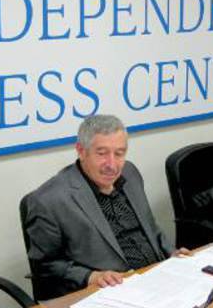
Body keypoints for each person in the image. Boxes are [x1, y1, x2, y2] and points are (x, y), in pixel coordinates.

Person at [21, 114, 190, 300]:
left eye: (119, 153)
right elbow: (45, 266)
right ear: (81, 151)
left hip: (156, 280)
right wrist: (91, 276)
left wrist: (171, 254)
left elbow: (151, 229)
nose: (112, 165)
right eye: (101, 153)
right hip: (108, 293)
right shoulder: (48, 200)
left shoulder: (130, 173)